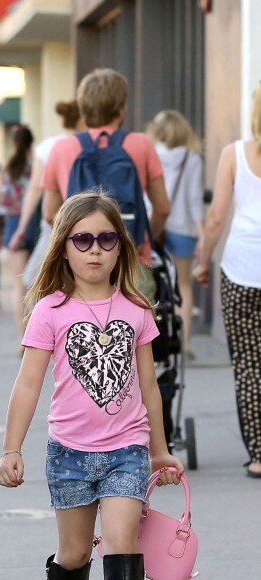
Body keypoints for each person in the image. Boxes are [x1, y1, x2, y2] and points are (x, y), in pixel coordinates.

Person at [0, 191, 184, 580]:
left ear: (120, 247)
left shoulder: (136, 308)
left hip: (127, 448)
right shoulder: (50, 309)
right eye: (82, 240)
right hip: (69, 452)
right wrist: (10, 449)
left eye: (106, 239)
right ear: (64, 247)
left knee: (120, 544)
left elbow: (149, 386)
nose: (94, 250)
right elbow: (29, 384)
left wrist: (160, 451)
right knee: (75, 553)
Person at [42, 68, 170, 302]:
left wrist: (80, 240)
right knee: (135, 332)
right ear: (121, 111)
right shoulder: (141, 144)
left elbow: (50, 213)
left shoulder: (61, 148)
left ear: (83, 108)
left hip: (78, 266)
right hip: (133, 260)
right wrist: (137, 237)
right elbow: (162, 208)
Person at [193, 85, 261, 479]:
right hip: (242, 268)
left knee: (249, 366)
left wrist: (203, 262)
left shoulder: (234, 154)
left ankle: (258, 455)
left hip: (241, 270)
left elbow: (217, 217)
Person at [146, 110, 204, 359]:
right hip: (184, 230)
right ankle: (186, 344)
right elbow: (194, 201)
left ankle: (152, 340)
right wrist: (203, 235)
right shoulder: (193, 159)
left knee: (153, 284)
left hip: (154, 226)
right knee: (183, 285)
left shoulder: (150, 154)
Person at [9, 100, 85, 287]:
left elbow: (35, 189)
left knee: (41, 282)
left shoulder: (47, 146)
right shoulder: (93, 143)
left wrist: (21, 227)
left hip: (55, 222)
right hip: (88, 219)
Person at [0, 125, 36, 342]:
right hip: (36, 224)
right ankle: (39, 337)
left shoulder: (6, 168)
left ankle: (22, 337)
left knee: (19, 286)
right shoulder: (37, 165)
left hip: (12, 225)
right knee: (38, 284)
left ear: (14, 142)